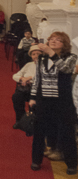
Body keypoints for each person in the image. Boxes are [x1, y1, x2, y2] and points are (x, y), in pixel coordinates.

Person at [30, 31, 78, 173]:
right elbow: (37, 79)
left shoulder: (71, 58)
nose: (53, 41)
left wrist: (51, 53)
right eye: (52, 39)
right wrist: (33, 98)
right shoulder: (42, 59)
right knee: (39, 132)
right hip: (44, 101)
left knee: (66, 132)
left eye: (58, 40)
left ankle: (71, 163)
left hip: (63, 102)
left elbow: (64, 69)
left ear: (65, 45)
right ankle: (36, 160)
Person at [12, 45, 40, 124]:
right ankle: (20, 120)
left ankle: (33, 121)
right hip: (26, 88)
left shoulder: (45, 65)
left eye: (38, 53)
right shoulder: (28, 65)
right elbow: (14, 76)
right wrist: (22, 79)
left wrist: (30, 78)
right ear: (31, 56)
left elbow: (43, 77)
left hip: (38, 90)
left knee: (34, 102)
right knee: (16, 97)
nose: (36, 56)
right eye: (33, 54)